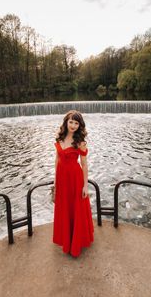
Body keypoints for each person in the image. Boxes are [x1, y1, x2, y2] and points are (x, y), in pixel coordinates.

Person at [52, 110, 94, 257]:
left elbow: (84, 164)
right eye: (71, 122)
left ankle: (76, 243)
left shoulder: (80, 142)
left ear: (79, 125)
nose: (73, 125)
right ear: (66, 121)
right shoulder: (59, 137)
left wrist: (85, 185)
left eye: (76, 123)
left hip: (75, 179)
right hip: (62, 178)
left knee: (76, 208)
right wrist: (55, 181)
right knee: (65, 208)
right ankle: (66, 240)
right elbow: (57, 159)